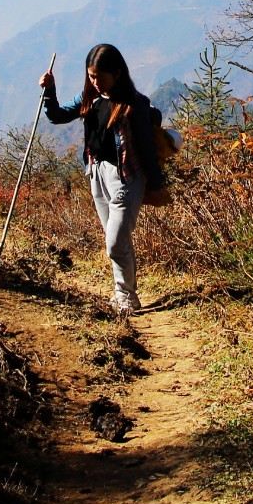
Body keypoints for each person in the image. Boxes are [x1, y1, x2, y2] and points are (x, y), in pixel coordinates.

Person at [42, 43, 167, 315]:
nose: (95, 82)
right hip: (97, 174)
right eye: (91, 76)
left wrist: (156, 186)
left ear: (118, 73)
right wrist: (49, 91)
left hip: (126, 177)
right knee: (117, 239)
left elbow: (146, 148)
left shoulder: (134, 105)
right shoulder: (91, 98)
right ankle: (126, 294)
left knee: (114, 242)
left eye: (100, 76)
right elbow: (56, 116)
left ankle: (125, 296)